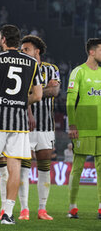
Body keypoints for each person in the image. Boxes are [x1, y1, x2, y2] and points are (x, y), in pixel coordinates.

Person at [0, 24, 43, 225]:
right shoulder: (32, 63)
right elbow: (38, 95)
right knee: (15, 168)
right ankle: (7, 214)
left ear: (3, 39)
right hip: (19, 122)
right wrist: (22, 101)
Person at [18, 35, 60, 220]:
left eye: (26, 49)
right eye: (22, 49)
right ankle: (24, 209)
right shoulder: (20, 69)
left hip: (46, 126)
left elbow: (55, 91)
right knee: (23, 168)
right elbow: (20, 95)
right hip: (24, 126)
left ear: (37, 51)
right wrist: (30, 110)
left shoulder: (52, 69)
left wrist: (35, 91)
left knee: (44, 166)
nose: (23, 52)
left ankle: (42, 209)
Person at [66, 38, 101, 219]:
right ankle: (72, 207)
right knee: (77, 167)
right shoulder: (78, 72)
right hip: (84, 126)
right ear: (92, 52)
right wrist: (72, 124)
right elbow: (71, 100)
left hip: (100, 127)